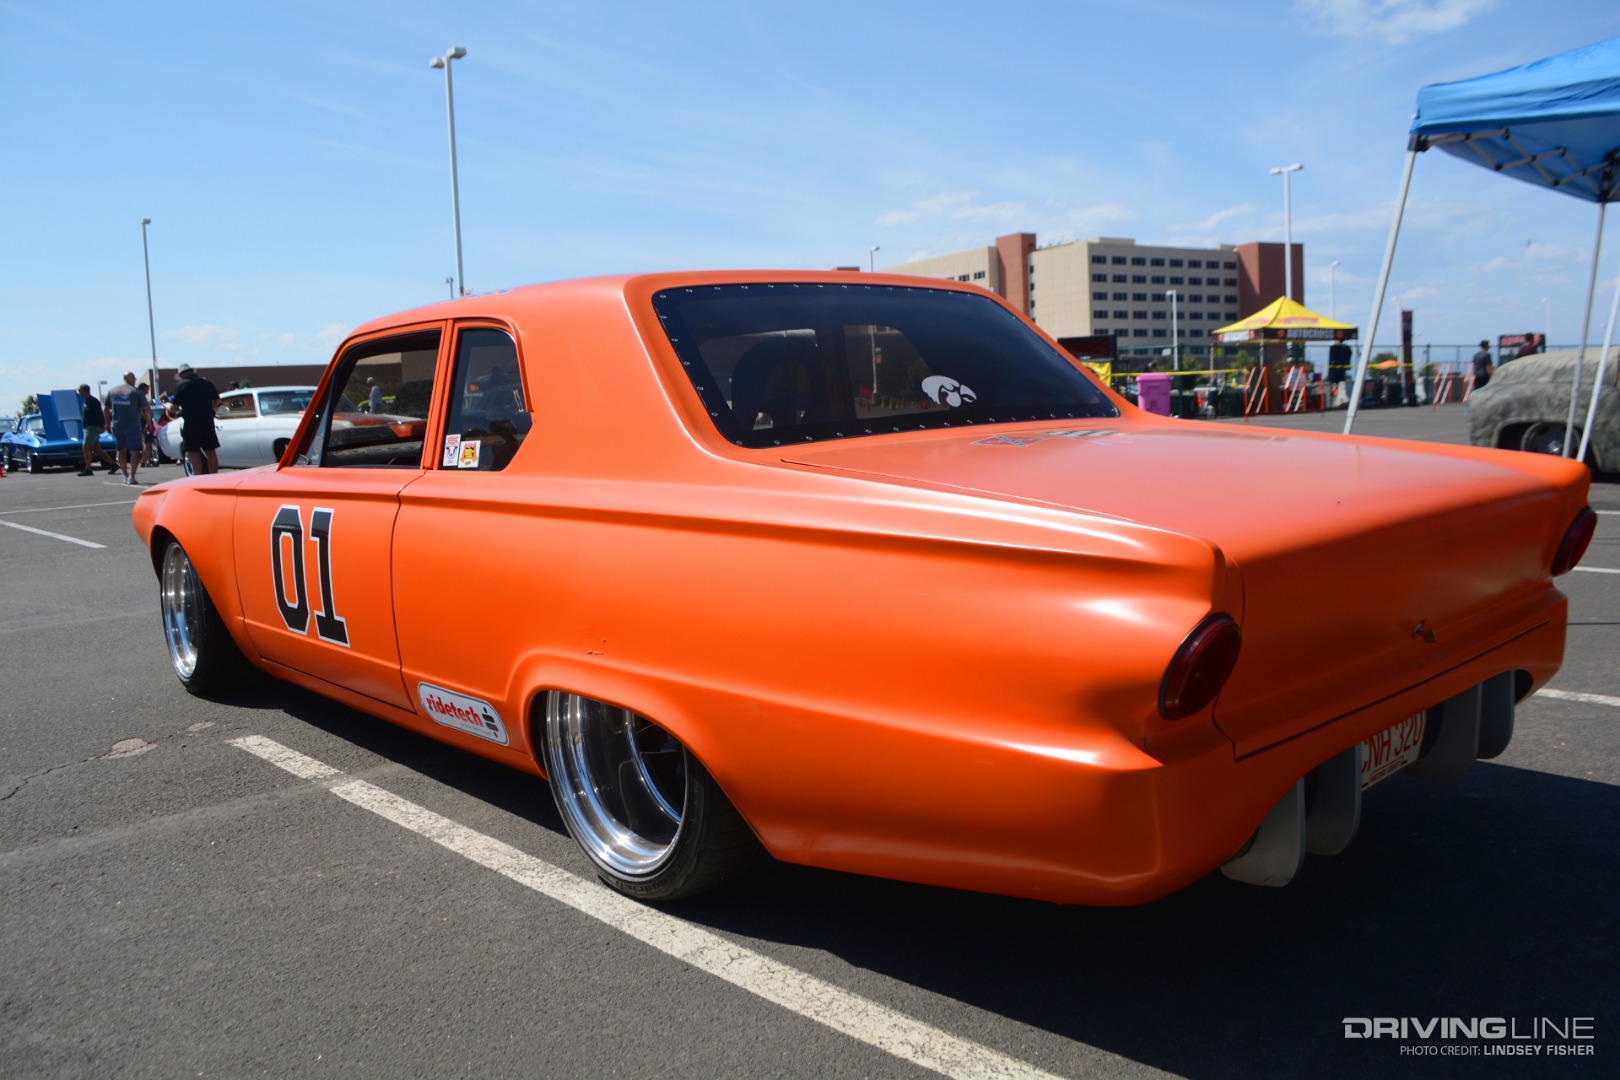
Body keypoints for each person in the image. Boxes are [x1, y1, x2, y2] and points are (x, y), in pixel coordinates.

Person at [167, 363, 221, 475]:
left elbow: (174, 407)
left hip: (191, 422)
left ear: (182, 375)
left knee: (193, 452)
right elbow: (218, 401)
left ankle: (198, 478)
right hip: (207, 421)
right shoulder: (207, 383)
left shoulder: (182, 385)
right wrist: (210, 409)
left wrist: (169, 409)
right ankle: (214, 477)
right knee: (211, 452)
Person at [104, 371, 152, 485]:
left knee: (121, 450)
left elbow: (106, 409)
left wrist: (107, 423)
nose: (135, 380)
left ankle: (125, 475)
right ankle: (132, 476)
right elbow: (145, 409)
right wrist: (149, 423)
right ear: (130, 378)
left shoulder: (112, 391)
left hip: (117, 425)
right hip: (132, 425)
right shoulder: (136, 392)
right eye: (134, 378)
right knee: (135, 450)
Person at [76, 383, 119, 476]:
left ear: (85, 391)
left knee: (86, 447)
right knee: (97, 449)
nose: (79, 392)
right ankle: (113, 464)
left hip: (92, 427)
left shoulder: (93, 401)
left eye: (80, 390)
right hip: (87, 427)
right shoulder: (85, 401)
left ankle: (88, 469)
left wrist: (102, 425)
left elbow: (99, 414)